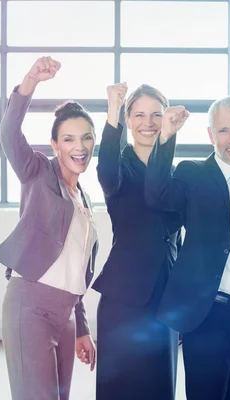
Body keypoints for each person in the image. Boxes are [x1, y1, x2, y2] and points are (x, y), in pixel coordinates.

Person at [144, 96, 230, 400]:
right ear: (210, 135)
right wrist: (165, 136)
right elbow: (157, 195)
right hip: (208, 317)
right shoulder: (193, 174)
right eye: (223, 131)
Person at [0, 56, 97, 400]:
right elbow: (8, 133)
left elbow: (76, 272)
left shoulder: (84, 199)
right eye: (68, 139)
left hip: (65, 316)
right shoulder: (38, 172)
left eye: (85, 138)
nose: (78, 147)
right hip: (30, 306)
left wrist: (81, 328)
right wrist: (29, 83)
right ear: (55, 144)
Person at [92, 83, 182, 399]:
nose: (148, 122)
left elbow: (176, 240)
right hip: (123, 299)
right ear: (128, 120)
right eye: (139, 114)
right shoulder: (118, 167)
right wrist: (112, 111)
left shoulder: (174, 172)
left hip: (165, 299)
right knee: (120, 388)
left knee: (160, 387)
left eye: (157, 114)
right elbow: (105, 171)